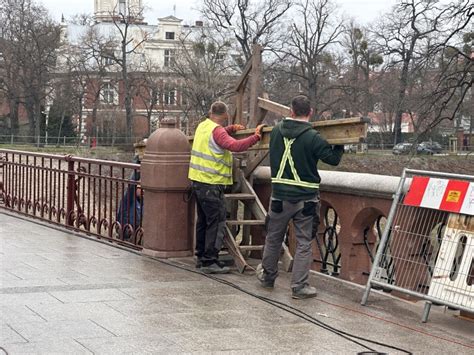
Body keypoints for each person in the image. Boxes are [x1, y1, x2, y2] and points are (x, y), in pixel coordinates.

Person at [257, 95, 344, 299]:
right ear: (310, 112)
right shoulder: (313, 137)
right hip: (306, 198)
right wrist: (340, 143)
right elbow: (332, 160)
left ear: (291, 111)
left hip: (279, 196)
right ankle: (299, 286)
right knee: (304, 242)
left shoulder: (276, 131)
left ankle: (268, 278)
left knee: (273, 238)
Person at [189, 101, 264, 274]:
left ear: (210, 112)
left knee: (203, 221)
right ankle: (210, 261)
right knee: (216, 222)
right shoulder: (217, 131)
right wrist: (255, 137)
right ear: (225, 115)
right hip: (211, 183)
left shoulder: (203, 126)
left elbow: (217, 138)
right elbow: (234, 146)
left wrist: (229, 129)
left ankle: (201, 257)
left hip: (198, 182)